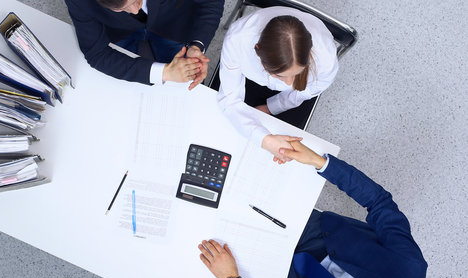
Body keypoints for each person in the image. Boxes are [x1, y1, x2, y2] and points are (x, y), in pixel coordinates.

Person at [198, 141, 427, 278]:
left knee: (204, 229)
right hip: (322, 236)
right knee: (236, 181)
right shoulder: (410, 266)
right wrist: (320, 162)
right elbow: (379, 202)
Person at [217, 7, 338, 159]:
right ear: (257, 50)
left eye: (296, 73)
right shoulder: (238, 40)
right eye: (280, 75)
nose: (289, 83)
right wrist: (265, 140)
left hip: (297, 94)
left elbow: (313, 88)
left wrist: (273, 106)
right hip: (250, 79)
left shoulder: (325, 59)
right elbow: (229, 99)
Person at [64, 0, 224, 89]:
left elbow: (211, 3)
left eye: (136, 0)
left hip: (173, 22)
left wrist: (196, 45)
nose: (135, 11)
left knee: (188, 87)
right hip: (119, 31)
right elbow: (97, 53)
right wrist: (164, 73)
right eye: (121, 8)